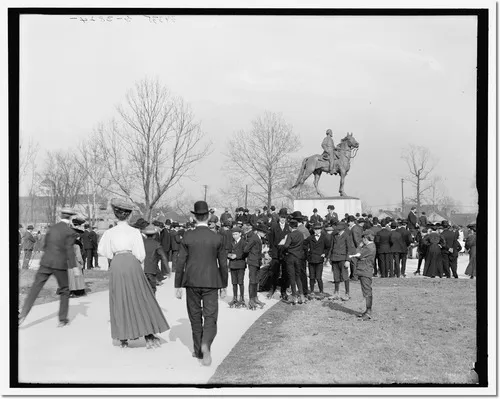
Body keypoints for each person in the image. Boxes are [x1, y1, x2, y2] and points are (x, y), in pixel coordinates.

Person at [98, 199, 169, 349]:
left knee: (119, 298)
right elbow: (141, 254)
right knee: (140, 297)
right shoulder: (135, 232)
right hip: (131, 262)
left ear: (116, 215)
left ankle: (122, 337)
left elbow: (102, 250)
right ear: (129, 216)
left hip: (117, 263)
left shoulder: (109, 232)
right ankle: (148, 334)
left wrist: (115, 256)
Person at [175, 200, 228, 366]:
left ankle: (198, 350)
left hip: (191, 281)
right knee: (210, 317)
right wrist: (224, 285)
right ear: (208, 216)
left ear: (195, 217)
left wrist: (177, 285)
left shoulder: (187, 236)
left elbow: (180, 262)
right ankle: (206, 344)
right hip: (212, 282)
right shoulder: (217, 237)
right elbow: (223, 264)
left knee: (195, 316)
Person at [19, 208, 81, 327]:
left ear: (61, 215)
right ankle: (62, 320)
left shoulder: (52, 228)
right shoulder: (69, 232)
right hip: (59, 265)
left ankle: (23, 314)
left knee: (35, 288)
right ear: (70, 218)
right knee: (64, 290)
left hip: (46, 262)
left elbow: (44, 244)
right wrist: (74, 267)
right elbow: (69, 250)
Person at [349, 229, 377, 321]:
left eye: (363, 238)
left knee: (367, 292)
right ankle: (367, 311)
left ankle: (368, 312)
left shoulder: (368, 247)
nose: (362, 240)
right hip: (365, 270)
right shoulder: (370, 246)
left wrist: (359, 246)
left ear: (366, 238)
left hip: (365, 271)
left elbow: (358, 254)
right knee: (366, 291)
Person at [266, 208, 290, 300]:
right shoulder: (274, 226)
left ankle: (283, 291)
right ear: (279, 217)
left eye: (284, 217)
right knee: (274, 272)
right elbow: (271, 240)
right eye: (281, 217)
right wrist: (271, 251)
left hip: (285, 253)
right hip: (276, 252)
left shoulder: (288, 227)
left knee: (285, 272)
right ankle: (272, 289)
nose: (283, 219)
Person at [244, 222, 268, 309]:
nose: (264, 234)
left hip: (257, 262)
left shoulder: (258, 238)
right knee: (252, 281)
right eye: (263, 232)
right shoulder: (254, 238)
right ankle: (251, 300)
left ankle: (255, 298)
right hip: (253, 262)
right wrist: (252, 255)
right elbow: (246, 249)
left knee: (256, 281)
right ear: (258, 231)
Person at [328, 222, 354, 301]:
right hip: (334, 258)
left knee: (345, 276)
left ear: (343, 229)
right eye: (337, 229)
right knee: (336, 277)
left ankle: (347, 293)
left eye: (339, 230)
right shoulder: (334, 235)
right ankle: (336, 293)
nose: (338, 231)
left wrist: (348, 260)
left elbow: (349, 249)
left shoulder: (347, 236)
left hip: (343, 259)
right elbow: (331, 247)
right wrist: (329, 257)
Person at [282, 219, 306, 305]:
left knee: (292, 277)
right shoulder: (301, 234)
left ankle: (294, 297)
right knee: (298, 277)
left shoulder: (290, 235)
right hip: (298, 257)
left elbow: (286, 245)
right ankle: (302, 296)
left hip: (291, 257)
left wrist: (284, 248)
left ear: (290, 227)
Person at [304, 222, 330, 298]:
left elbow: (328, 247)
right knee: (312, 277)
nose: (317, 231)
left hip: (319, 260)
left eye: (318, 229)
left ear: (321, 230)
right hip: (311, 259)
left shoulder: (324, 238)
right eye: (315, 229)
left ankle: (321, 291)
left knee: (318, 277)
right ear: (313, 230)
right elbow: (304, 244)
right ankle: (311, 291)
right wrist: (307, 252)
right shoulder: (310, 238)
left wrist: (325, 254)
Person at [142, 224, 170, 295]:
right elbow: (163, 257)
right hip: (152, 270)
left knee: (143, 290)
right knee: (152, 289)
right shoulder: (157, 244)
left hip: (142, 269)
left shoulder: (141, 243)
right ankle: (151, 305)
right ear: (154, 235)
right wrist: (168, 269)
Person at [227, 226, 247, 308]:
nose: (234, 236)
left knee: (240, 282)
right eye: (233, 234)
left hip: (240, 264)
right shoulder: (230, 242)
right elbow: (227, 251)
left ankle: (242, 298)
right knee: (234, 282)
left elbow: (245, 253)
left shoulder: (244, 242)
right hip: (232, 264)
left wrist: (237, 256)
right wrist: (229, 255)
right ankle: (235, 297)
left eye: (236, 234)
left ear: (240, 234)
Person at [68, 224, 86, 297]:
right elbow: (79, 256)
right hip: (75, 262)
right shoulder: (76, 245)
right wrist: (82, 263)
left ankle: (69, 291)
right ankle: (76, 291)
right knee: (76, 277)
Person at [347, 215, 363, 281]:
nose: (348, 223)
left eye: (348, 222)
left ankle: (354, 276)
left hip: (354, 248)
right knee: (355, 262)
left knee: (354, 262)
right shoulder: (357, 227)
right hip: (356, 247)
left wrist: (358, 247)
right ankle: (353, 275)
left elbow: (356, 240)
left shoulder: (354, 229)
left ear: (351, 221)